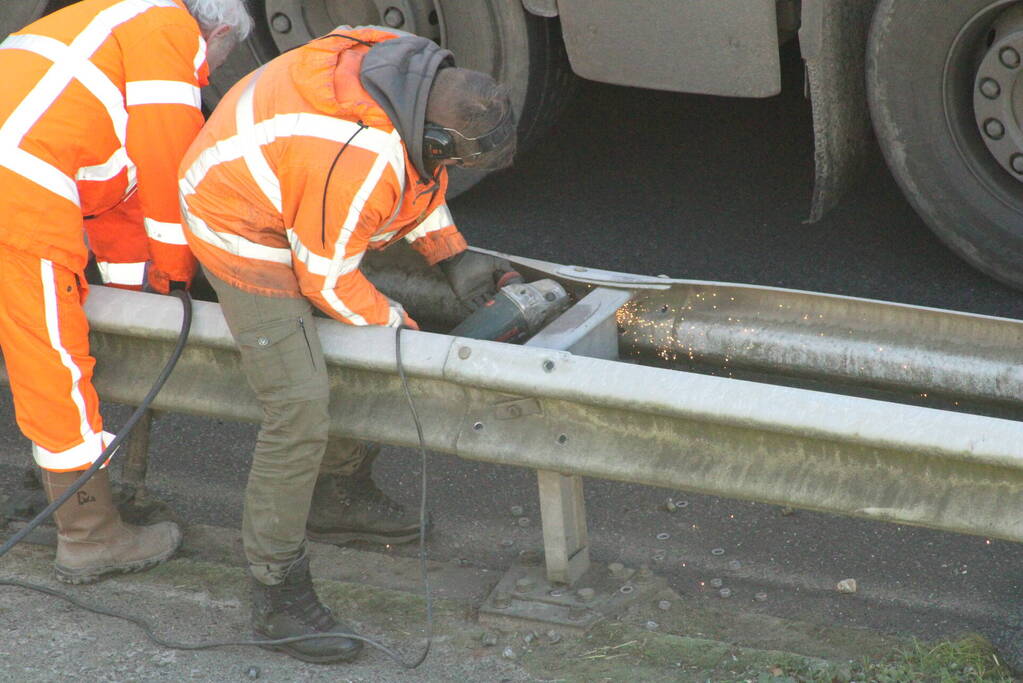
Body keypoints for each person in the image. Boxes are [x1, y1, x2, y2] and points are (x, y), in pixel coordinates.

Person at [177, 26, 517, 663]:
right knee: (299, 405)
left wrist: (451, 253)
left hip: (298, 184)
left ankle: (336, 496)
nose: (452, 168)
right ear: (436, 133)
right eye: (456, 158)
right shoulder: (356, 152)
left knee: (346, 344)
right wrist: (397, 327)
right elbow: (326, 279)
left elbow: (419, 172)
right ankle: (277, 598)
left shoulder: (410, 76)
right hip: (241, 225)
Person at [0, 0, 251, 584]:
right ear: (214, 32)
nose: (205, 75)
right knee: (53, 369)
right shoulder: (170, 31)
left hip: (20, 175)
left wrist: (135, 292)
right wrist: (177, 274)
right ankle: (91, 535)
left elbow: (114, 193)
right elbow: (167, 166)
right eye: (214, 63)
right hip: (18, 198)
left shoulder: (103, 24)